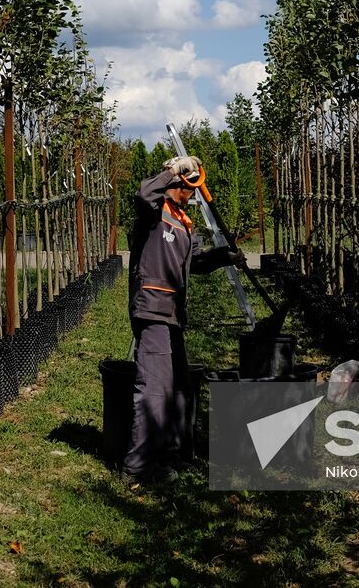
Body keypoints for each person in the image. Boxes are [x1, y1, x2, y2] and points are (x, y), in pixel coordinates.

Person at [122, 154, 240, 484]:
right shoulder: (153, 210)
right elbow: (143, 193)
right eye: (189, 188)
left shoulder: (183, 221)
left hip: (173, 312)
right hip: (152, 308)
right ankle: (138, 467)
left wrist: (224, 256)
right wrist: (172, 170)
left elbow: (195, 264)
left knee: (177, 387)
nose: (192, 195)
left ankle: (172, 454)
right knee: (154, 389)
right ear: (177, 183)